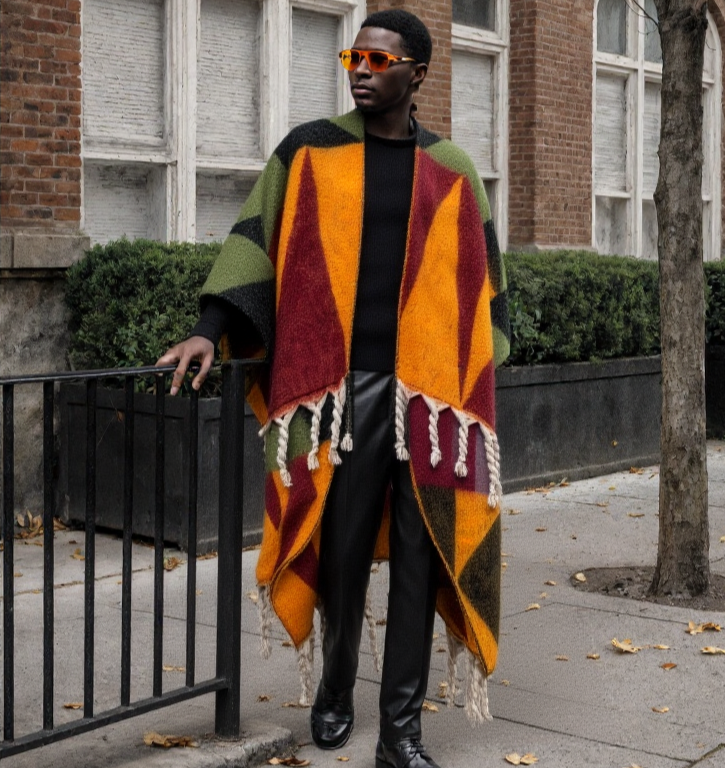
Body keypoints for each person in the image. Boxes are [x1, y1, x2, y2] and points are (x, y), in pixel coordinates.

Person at [158, 10, 509, 768]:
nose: (359, 68)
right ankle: (336, 689)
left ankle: (403, 734)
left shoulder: (452, 167)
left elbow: (487, 287)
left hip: (432, 403)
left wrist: (477, 366)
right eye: (354, 55)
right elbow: (254, 241)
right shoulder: (309, 151)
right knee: (342, 552)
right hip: (342, 399)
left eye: (379, 59)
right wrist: (208, 329)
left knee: (423, 557)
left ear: (417, 72)